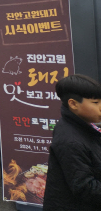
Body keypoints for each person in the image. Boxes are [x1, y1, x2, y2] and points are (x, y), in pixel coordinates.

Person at [43, 74, 101, 210]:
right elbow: (85, 187)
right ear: (73, 104)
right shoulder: (71, 140)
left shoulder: (82, 125)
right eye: (95, 103)